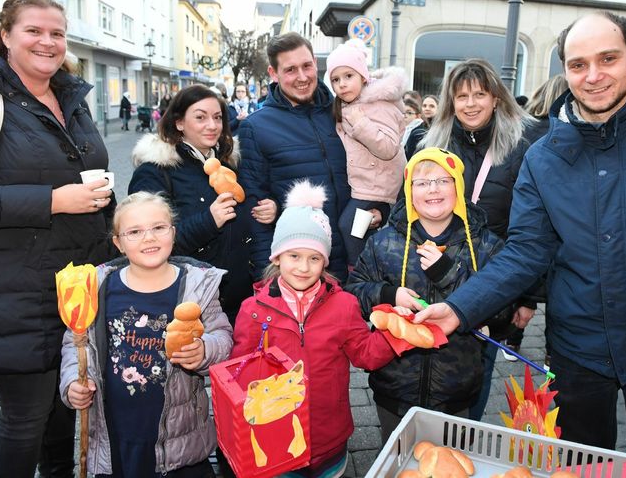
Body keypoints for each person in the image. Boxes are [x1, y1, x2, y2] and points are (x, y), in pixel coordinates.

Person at [414, 11, 626, 456]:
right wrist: (459, 308)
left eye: (608, 59)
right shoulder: (544, 156)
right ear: (565, 71)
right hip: (578, 352)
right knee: (581, 465)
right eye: (578, 65)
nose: (593, 76)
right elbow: (525, 252)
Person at [0, 0, 115, 477]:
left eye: (57, 33)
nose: (48, 42)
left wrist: (117, 227)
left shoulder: (69, 97)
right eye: (34, 31)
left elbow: (90, 172)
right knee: (25, 418)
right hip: (11, 288)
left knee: (65, 411)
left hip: (75, 282)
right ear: (6, 37)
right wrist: (52, 201)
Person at [60, 191, 233, 476]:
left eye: (158, 227)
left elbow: (223, 338)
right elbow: (77, 344)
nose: (148, 238)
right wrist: (74, 383)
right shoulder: (98, 286)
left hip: (179, 439)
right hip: (117, 435)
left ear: (173, 232)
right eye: (135, 231)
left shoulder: (197, 286)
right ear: (118, 243)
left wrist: (204, 351)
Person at [231, 181, 395, 477]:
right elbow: (241, 373)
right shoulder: (253, 310)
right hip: (275, 437)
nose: (303, 267)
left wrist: (396, 332)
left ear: (325, 261)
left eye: (314, 258)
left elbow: (366, 355)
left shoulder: (344, 305)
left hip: (328, 436)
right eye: (294, 256)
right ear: (277, 257)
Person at [346, 148, 504, 442]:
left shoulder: (485, 245)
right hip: (395, 386)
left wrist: (449, 274)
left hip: (456, 389)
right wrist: (390, 294)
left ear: (458, 187)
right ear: (409, 191)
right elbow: (353, 293)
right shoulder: (383, 243)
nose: (433, 189)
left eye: (443, 181)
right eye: (422, 182)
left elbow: (502, 309)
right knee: (399, 459)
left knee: (452, 464)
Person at [420, 58, 541, 421]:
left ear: (496, 99)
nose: (470, 104)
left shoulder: (523, 147)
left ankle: (464, 436)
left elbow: (533, 229)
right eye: (461, 96)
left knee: (479, 362)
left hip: (494, 275)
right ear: (450, 103)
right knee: (428, 359)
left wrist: (527, 295)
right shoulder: (431, 143)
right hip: (433, 267)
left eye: (479, 94)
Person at [128, 85, 254, 324]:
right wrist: (209, 220)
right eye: (200, 117)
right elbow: (148, 243)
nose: (212, 125)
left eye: (217, 117)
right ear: (179, 123)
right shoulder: (155, 171)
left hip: (238, 304)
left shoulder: (229, 165)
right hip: (187, 310)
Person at [238, 32, 351, 280]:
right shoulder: (257, 127)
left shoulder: (342, 111)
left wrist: (378, 210)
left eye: (307, 66)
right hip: (300, 268)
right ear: (273, 73)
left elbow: (372, 170)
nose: (302, 77)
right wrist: (268, 279)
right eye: (290, 70)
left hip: (353, 258)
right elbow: (256, 211)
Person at [496, 74, 569, 364]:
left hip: (526, 220)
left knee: (526, 275)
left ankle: (512, 340)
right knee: (559, 293)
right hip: (562, 226)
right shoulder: (567, 133)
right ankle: (553, 352)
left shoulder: (523, 132)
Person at [327, 40, 406, 265]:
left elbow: (389, 148)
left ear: (363, 76)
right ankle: (371, 271)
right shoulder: (348, 106)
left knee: (349, 226)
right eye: (335, 79)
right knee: (363, 229)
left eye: (348, 76)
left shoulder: (379, 104)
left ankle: (360, 273)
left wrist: (361, 123)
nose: (342, 84)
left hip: (377, 185)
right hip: (366, 183)